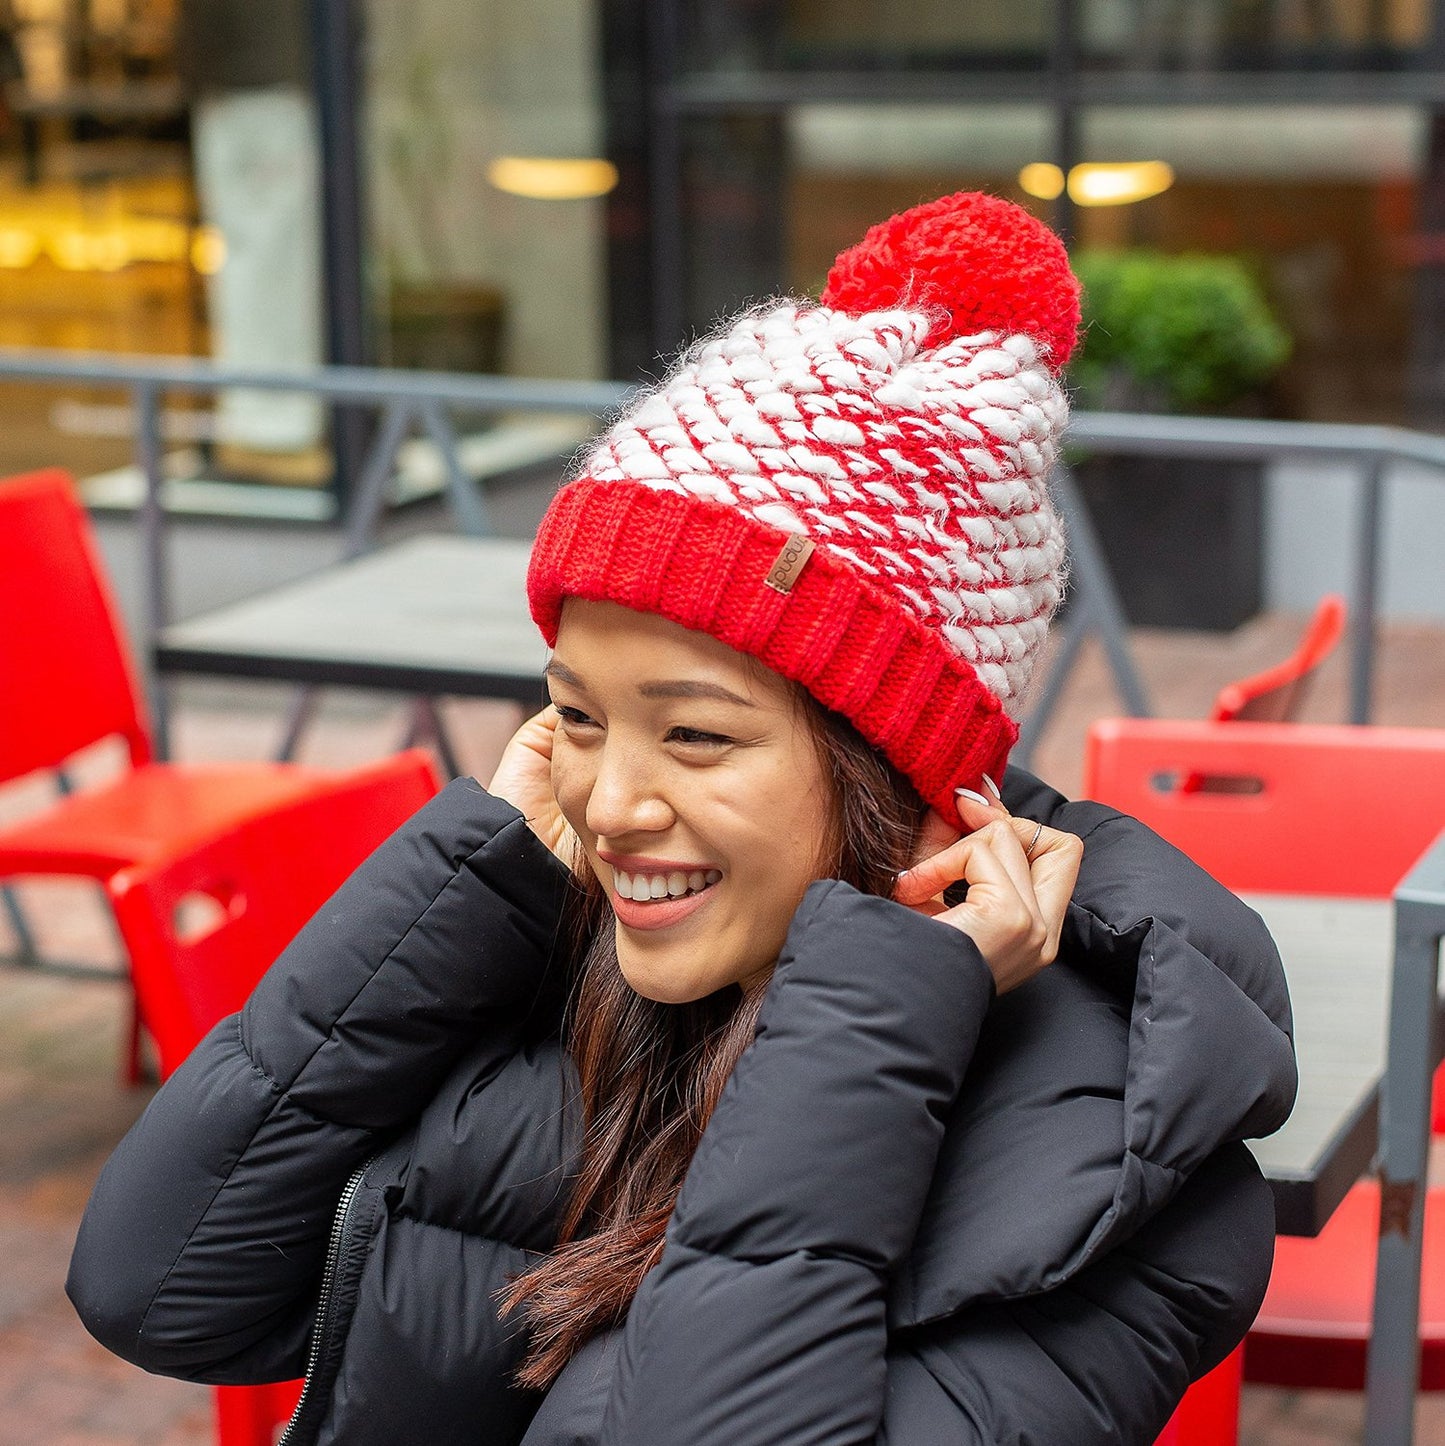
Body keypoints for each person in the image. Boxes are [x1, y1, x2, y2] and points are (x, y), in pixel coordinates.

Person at [67, 192, 1296, 1445]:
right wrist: (462, 884)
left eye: (695, 733)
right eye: (578, 717)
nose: (606, 804)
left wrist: (868, 1018)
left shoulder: (1120, 1163)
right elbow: (156, 1288)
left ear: (914, 786)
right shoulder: (564, 964)